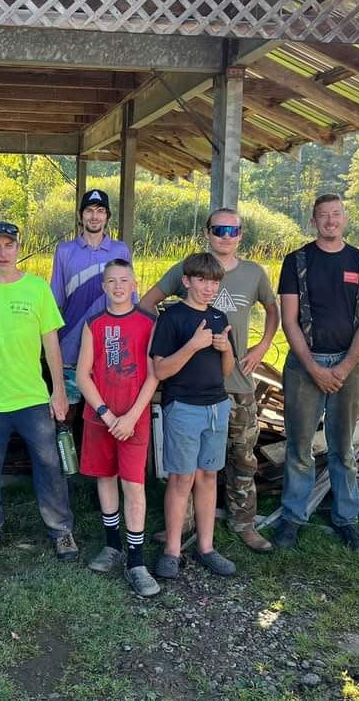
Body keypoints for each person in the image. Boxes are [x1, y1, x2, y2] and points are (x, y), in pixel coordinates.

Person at [140, 208, 279, 553]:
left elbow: (274, 310)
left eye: (233, 230)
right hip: (191, 387)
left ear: (241, 235)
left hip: (238, 382)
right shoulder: (189, 269)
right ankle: (184, 523)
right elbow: (147, 303)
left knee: (241, 456)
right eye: (219, 229)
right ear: (208, 232)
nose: (226, 236)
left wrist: (262, 345)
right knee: (188, 464)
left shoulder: (253, 273)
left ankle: (243, 523)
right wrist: (160, 349)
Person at [0, 221, 78, 563]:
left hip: (31, 396)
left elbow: (52, 346)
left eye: (9, 245)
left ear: (18, 249)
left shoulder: (37, 289)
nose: (2, 252)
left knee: (48, 464)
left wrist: (58, 391)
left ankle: (61, 530)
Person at [273, 194, 359, 551]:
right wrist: (314, 367)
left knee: (342, 447)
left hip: (348, 364)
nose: (330, 221)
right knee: (299, 446)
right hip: (305, 366)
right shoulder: (296, 261)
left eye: (336, 215)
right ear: (313, 220)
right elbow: (289, 320)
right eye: (323, 216)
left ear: (345, 218)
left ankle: (346, 518)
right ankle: (293, 516)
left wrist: (345, 366)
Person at [149, 253, 237, 580]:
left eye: (214, 282)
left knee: (209, 476)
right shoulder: (172, 318)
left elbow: (226, 371)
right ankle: (172, 549)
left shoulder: (219, 316)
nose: (208, 287)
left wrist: (225, 349)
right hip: (183, 407)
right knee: (181, 478)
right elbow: (160, 369)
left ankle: (206, 547)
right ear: (186, 281)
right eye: (201, 280)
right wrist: (194, 345)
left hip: (217, 406)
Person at [76, 259, 159, 597]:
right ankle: (113, 545)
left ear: (134, 283)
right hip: (101, 419)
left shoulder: (150, 322)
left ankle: (136, 560)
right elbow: (83, 374)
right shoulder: (93, 323)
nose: (119, 286)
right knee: (105, 478)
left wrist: (130, 416)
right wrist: (108, 415)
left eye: (125, 280)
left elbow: (155, 373)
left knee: (134, 485)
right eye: (112, 281)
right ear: (103, 287)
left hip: (134, 419)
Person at [51, 189, 132, 428]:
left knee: (102, 414)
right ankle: (69, 466)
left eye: (100, 211)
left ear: (107, 216)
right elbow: (56, 300)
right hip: (70, 344)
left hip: (109, 345)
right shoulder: (64, 250)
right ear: (81, 215)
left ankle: (95, 466)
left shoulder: (120, 250)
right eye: (89, 211)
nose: (94, 217)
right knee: (68, 415)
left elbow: (129, 299)